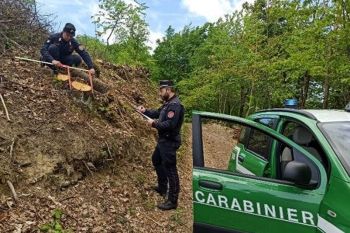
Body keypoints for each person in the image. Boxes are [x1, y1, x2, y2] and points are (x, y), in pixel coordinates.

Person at [138, 80, 185, 210]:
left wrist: (154, 124)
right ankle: (162, 187)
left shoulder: (176, 105)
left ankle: (172, 200)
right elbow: (157, 113)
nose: (159, 93)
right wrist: (145, 111)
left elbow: (170, 125)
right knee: (156, 159)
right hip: (163, 140)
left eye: (161, 90)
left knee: (171, 169)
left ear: (168, 90)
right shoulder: (168, 103)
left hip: (170, 141)